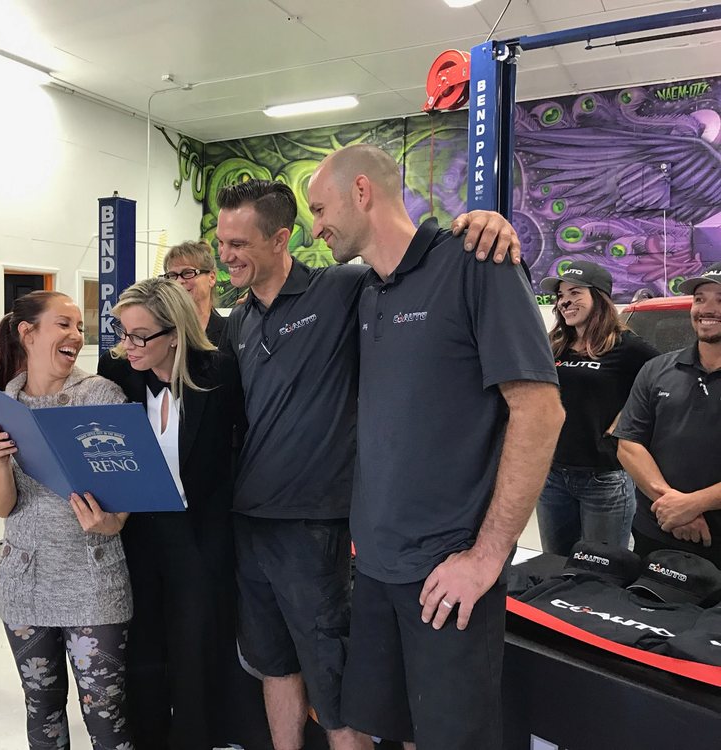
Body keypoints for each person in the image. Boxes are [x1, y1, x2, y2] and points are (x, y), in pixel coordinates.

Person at [216, 174, 521, 750]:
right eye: (221, 243)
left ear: (279, 240)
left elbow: (408, 262)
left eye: (238, 243)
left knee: (335, 685)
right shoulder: (240, 320)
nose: (226, 255)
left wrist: (485, 220)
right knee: (274, 664)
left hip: (317, 524)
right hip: (252, 521)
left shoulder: (342, 287)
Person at [307, 143, 564, 750]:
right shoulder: (367, 291)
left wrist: (486, 558)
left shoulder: (477, 263)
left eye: (319, 209)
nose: (314, 228)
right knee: (391, 730)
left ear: (361, 192)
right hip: (375, 568)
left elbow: (540, 411)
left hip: (448, 573)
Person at [97, 277, 269, 749]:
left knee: (196, 647)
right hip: (136, 531)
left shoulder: (220, 373)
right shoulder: (118, 373)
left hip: (199, 535)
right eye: (123, 333)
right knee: (143, 647)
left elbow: (242, 449)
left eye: (140, 336)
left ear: (174, 333)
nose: (127, 346)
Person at [0, 290, 133, 750]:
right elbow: (2, 507)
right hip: (24, 581)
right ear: (27, 333)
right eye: (63, 324)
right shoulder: (0, 405)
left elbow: (127, 483)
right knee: (41, 706)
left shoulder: (101, 395)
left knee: (106, 712)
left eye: (79, 327)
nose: (76, 336)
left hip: (93, 580)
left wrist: (112, 522)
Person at [535, 261, 658, 554]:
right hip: (552, 476)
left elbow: (665, 384)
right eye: (561, 295)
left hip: (604, 478)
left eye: (575, 293)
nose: (565, 301)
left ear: (599, 297)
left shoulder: (627, 347)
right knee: (555, 566)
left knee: (602, 569)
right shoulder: (555, 345)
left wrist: (627, 419)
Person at [615, 262, 721, 567]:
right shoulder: (656, 369)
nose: (707, 309)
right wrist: (673, 506)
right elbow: (629, 445)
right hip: (657, 531)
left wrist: (693, 504)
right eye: (700, 299)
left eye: (720, 299)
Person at [159, 240, 228, 345]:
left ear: (211, 278)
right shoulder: (160, 329)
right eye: (172, 275)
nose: (179, 281)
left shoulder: (229, 332)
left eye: (188, 273)